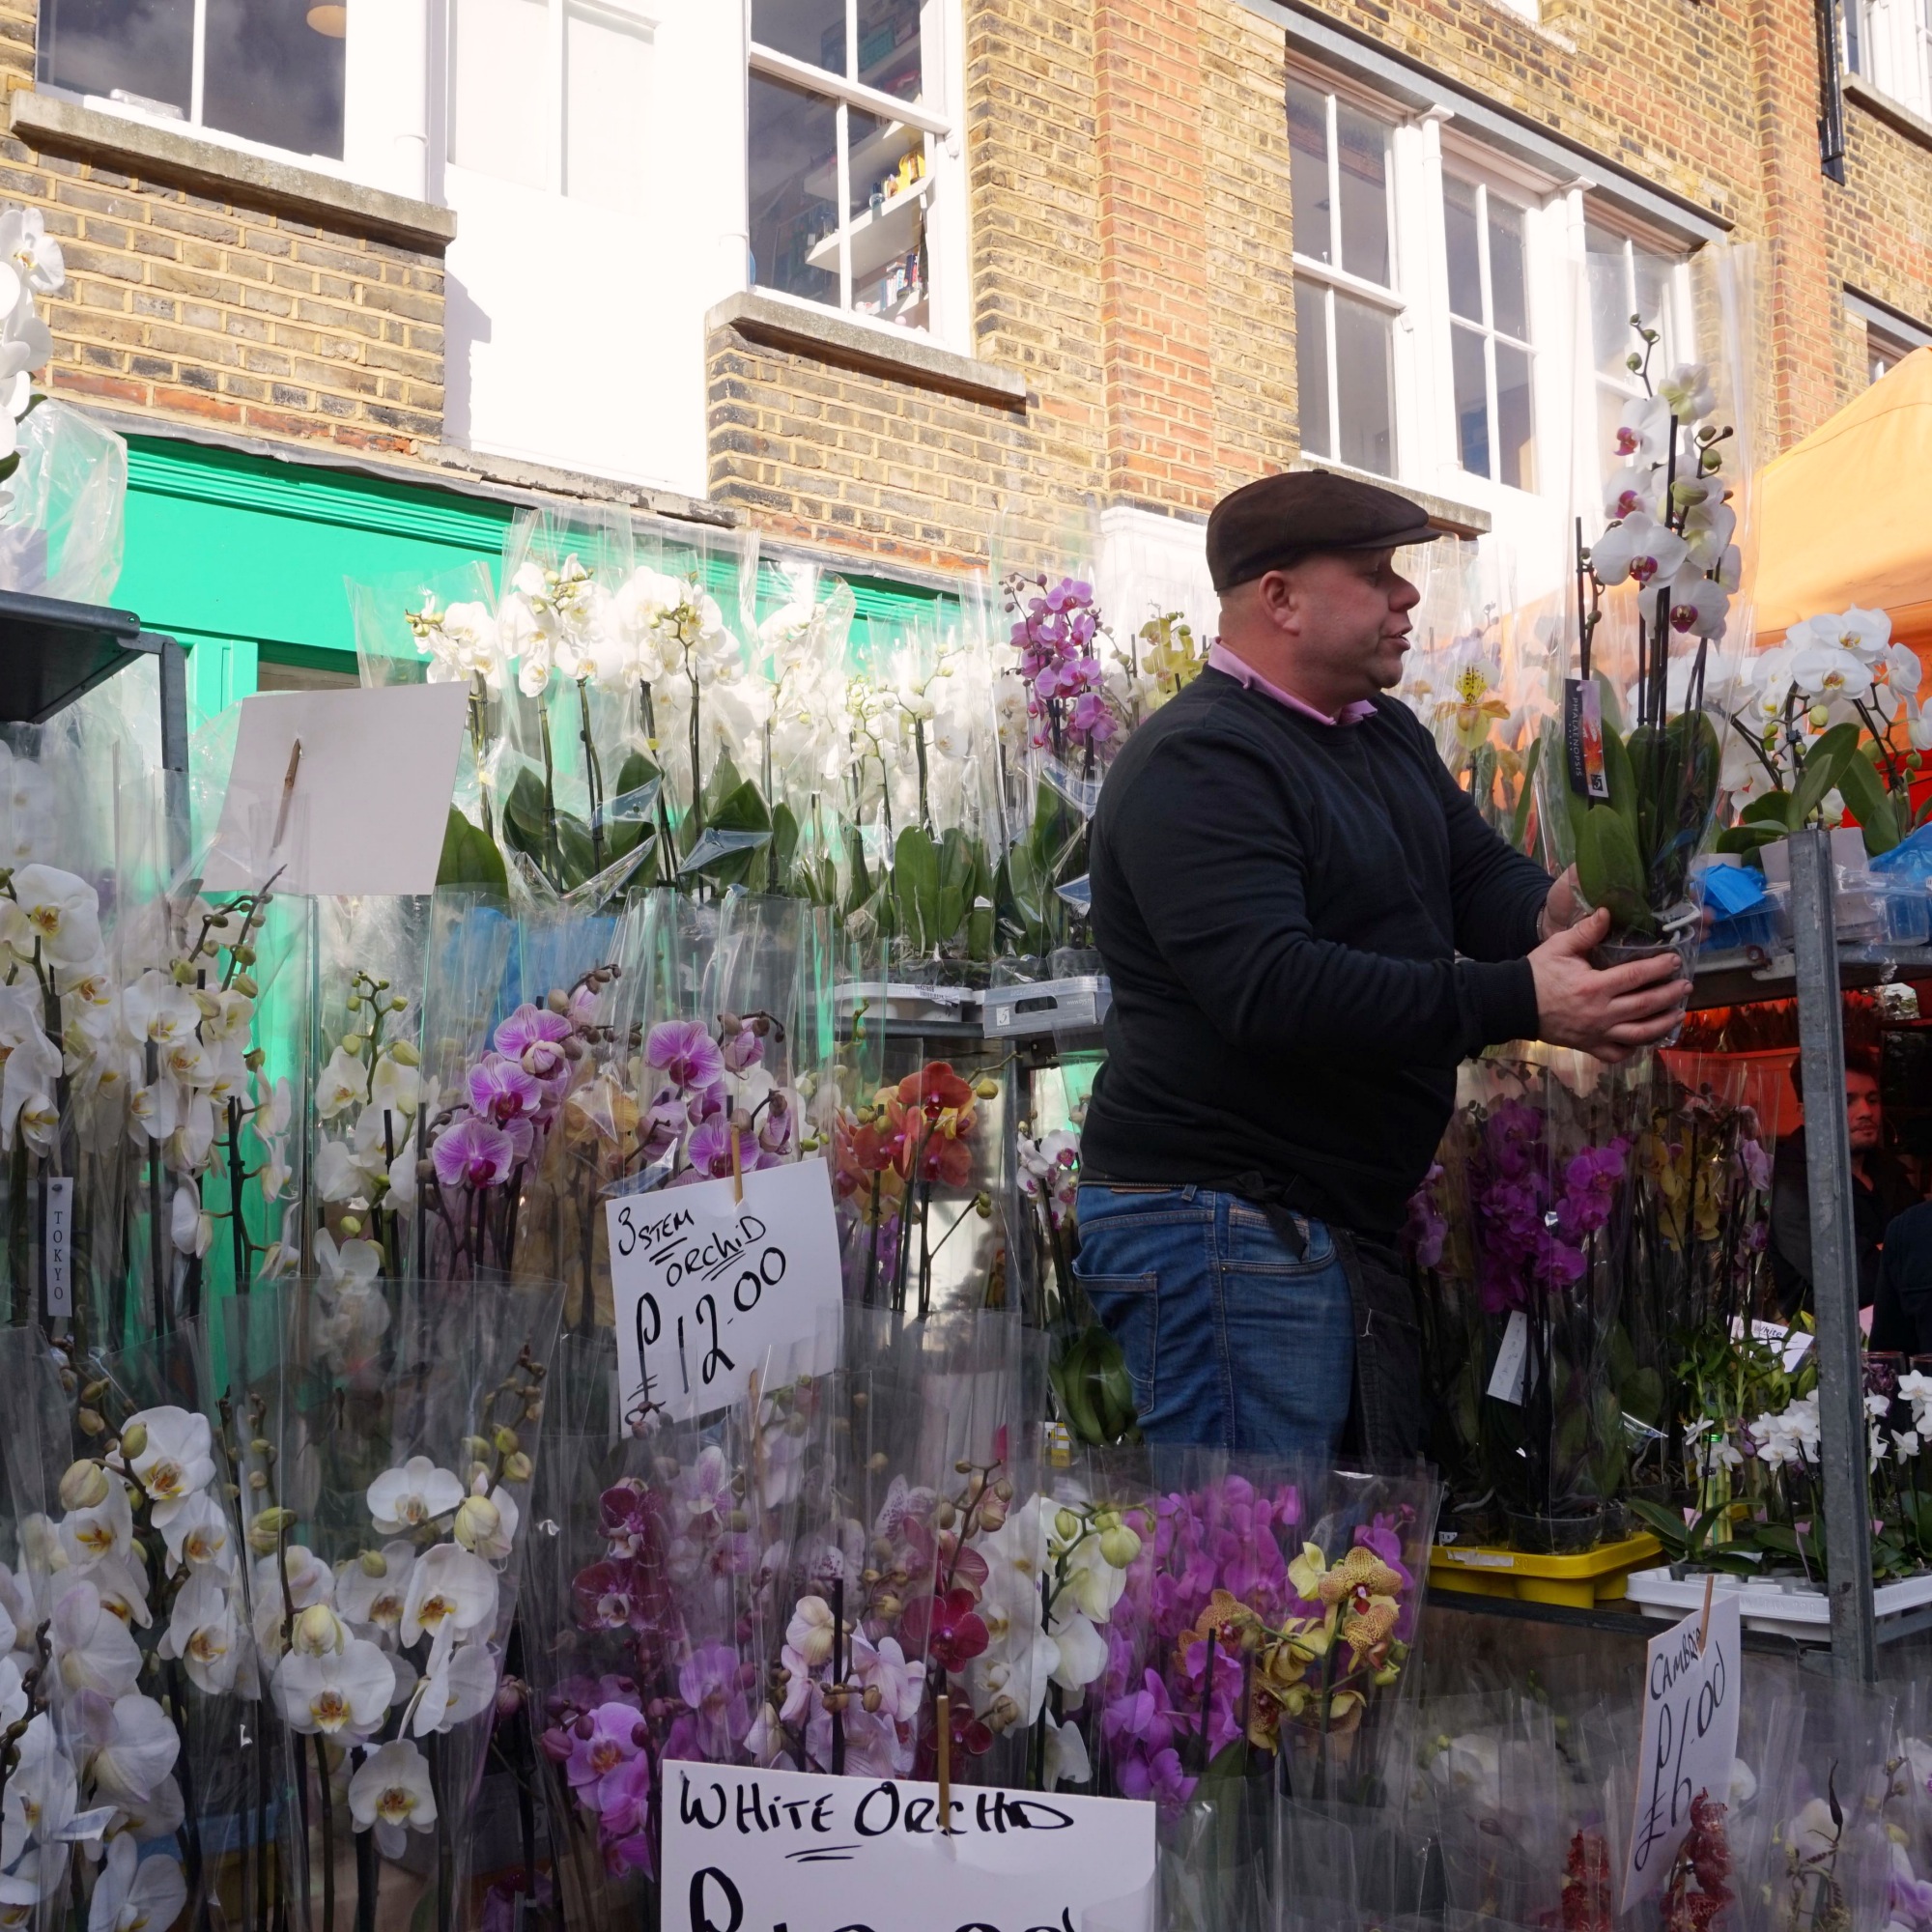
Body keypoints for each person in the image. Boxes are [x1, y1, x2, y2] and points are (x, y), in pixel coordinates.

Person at [1075, 469, 1690, 1461]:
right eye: (1373, 575)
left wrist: (1560, 906)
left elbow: (1470, 875)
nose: (1405, 597)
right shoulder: (1200, 761)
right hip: (1221, 1225)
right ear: (1277, 597)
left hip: (1306, 1221)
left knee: (1328, 1583)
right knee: (1260, 1589)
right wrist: (1524, 995)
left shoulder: (1380, 732)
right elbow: (1275, 988)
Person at [1769, 1046, 1918, 1320]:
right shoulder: (1793, 1183)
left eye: (1872, 1099)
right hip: (1826, 1351)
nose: (1866, 1111)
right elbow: (1853, 1281)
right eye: (1847, 1100)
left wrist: (1883, 1253)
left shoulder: (1886, 1170)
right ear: (1806, 1112)